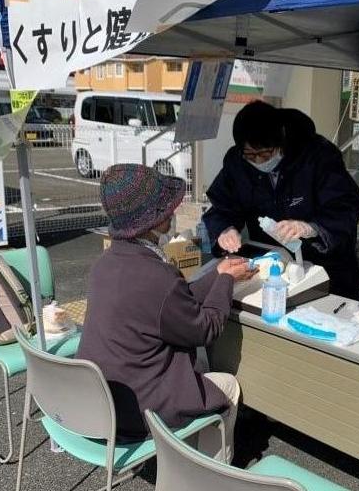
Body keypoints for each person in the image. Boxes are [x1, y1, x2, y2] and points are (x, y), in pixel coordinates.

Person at [77, 164, 255, 462]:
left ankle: (186, 456)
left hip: (101, 400)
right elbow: (205, 329)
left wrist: (219, 273)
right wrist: (225, 282)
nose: (172, 212)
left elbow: (171, 302)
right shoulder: (156, 276)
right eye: (164, 208)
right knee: (229, 387)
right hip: (140, 410)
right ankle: (210, 476)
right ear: (150, 220)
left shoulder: (106, 263)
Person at [203, 101, 359, 299]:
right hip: (272, 267)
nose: (258, 161)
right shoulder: (237, 162)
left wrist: (311, 227)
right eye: (250, 155)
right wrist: (225, 229)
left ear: (281, 139)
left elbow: (346, 205)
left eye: (265, 153)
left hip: (328, 270)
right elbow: (221, 206)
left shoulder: (317, 155)